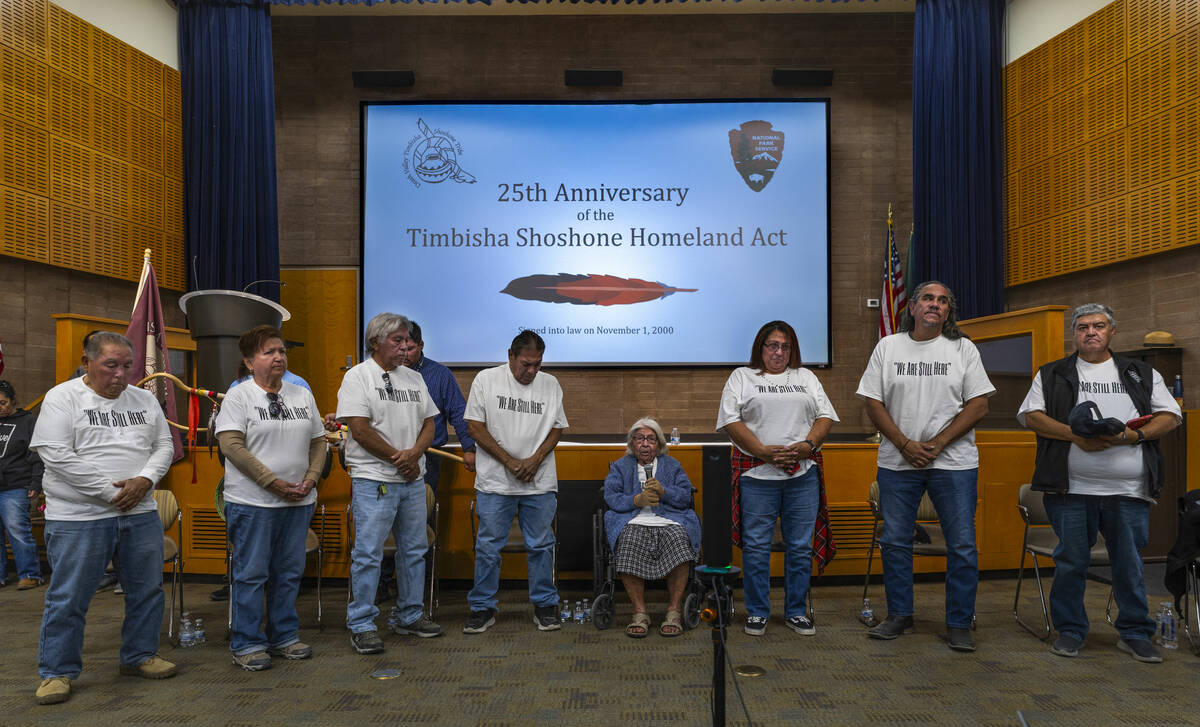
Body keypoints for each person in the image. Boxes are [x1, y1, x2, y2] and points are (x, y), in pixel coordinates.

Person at [1017, 303, 1181, 663]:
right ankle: (1071, 631)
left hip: (1129, 491)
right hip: (1071, 489)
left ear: (1112, 331)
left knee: (1129, 564)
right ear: (1074, 334)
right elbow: (1031, 417)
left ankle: (1135, 632)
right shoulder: (1052, 373)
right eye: (1083, 327)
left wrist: (1134, 437)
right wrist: (1074, 436)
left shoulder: (1141, 372)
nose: (1091, 332)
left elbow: (1170, 416)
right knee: (1071, 562)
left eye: (1099, 325)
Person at [29, 331, 176, 705]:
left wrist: (145, 480)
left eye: (127, 365)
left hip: (139, 513)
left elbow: (163, 446)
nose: (120, 374)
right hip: (79, 517)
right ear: (86, 362)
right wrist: (114, 494)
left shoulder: (144, 399)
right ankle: (56, 672)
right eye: (111, 365)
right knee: (69, 597)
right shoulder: (62, 398)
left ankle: (140, 656)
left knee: (146, 591)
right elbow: (56, 455)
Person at [856, 281, 994, 652]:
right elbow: (872, 403)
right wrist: (905, 444)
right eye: (928, 299)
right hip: (897, 463)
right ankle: (899, 615)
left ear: (949, 311)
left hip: (955, 464)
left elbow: (979, 405)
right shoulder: (889, 346)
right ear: (913, 307)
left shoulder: (963, 348)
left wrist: (939, 443)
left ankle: (959, 623)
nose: (935, 304)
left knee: (962, 545)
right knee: (895, 541)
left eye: (943, 301)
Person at [215, 326, 327, 671]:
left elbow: (318, 442)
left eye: (281, 351)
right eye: (269, 352)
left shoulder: (301, 394)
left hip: (298, 501)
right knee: (251, 574)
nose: (278, 357)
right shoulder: (239, 396)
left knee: (289, 573)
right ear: (250, 361)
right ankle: (247, 643)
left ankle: (284, 637)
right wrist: (272, 482)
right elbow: (231, 446)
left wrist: (311, 478)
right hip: (253, 503)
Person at [717, 321, 838, 637]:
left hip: (802, 475)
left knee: (800, 547)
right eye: (772, 345)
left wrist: (807, 446)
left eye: (785, 346)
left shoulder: (806, 377)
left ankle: (796, 611)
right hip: (757, 476)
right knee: (756, 547)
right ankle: (758, 612)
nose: (779, 352)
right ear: (760, 348)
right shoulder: (742, 377)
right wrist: (763, 452)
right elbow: (730, 420)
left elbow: (825, 417)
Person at [337, 313, 441, 654]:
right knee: (369, 553)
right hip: (374, 479)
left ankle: (409, 615)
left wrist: (414, 455)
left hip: (413, 480)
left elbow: (429, 425)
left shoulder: (414, 378)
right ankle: (362, 623)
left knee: (414, 550)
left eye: (407, 340)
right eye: (397, 340)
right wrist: (400, 458)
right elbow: (359, 428)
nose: (405, 346)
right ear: (375, 342)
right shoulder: (358, 377)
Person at [463, 330, 568, 634]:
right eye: (526, 364)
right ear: (510, 355)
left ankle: (545, 605)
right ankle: (482, 607)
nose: (532, 371)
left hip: (539, 481)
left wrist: (535, 460)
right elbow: (474, 427)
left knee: (542, 545)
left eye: (537, 364)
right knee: (488, 547)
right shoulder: (486, 380)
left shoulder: (550, 384)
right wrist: (509, 461)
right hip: (496, 482)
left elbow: (557, 428)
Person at [603, 417, 700, 637]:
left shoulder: (672, 466)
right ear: (632, 443)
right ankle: (639, 612)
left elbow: (685, 495)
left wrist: (664, 491)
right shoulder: (620, 466)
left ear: (659, 444)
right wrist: (636, 500)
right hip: (633, 520)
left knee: (680, 539)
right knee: (626, 541)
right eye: (639, 438)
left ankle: (674, 610)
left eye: (650, 439)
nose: (645, 444)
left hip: (669, 519)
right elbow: (611, 496)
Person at [402, 320, 476, 487]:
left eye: (410, 349)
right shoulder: (388, 372)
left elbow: (458, 413)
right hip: (393, 454)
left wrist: (469, 448)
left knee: (425, 503)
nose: (404, 355)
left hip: (429, 454)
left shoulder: (440, 374)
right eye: (401, 349)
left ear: (421, 345)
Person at [0, 380, 43, 589]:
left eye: (3, 403)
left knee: (17, 529)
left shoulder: (27, 422)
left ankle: (30, 574)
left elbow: (36, 455)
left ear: (13, 400)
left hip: (15, 485)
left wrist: (36, 482)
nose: (0, 408)